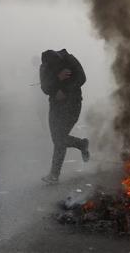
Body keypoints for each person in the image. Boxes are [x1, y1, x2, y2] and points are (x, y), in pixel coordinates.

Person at [39, 49, 89, 185]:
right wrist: (58, 78)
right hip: (56, 106)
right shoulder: (45, 66)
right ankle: (81, 144)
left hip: (73, 104)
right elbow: (45, 87)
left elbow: (82, 77)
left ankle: (54, 175)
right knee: (57, 138)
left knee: (59, 138)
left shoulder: (69, 59)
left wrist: (66, 90)